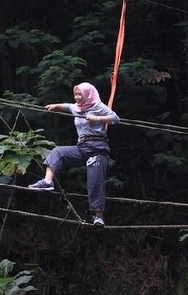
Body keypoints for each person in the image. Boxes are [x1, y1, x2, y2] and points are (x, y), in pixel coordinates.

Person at [28, 82, 120, 226]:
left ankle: (98, 216)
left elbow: (115, 118)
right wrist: (55, 106)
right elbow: (68, 106)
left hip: (97, 149)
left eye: (80, 95)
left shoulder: (98, 106)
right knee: (58, 152)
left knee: (95, 180)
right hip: (82, 148)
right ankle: (47, 182)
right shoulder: (77, 108)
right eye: (75, 94)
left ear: (87, 95)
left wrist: (97, 118)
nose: (77, 97)